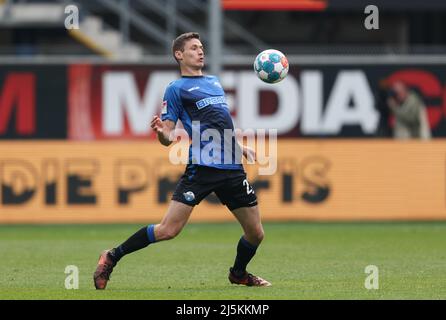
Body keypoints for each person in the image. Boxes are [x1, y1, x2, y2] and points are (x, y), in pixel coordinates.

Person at [93, 32, 271, 289]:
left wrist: (239, 146)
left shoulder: (214, 82)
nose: (201, 52)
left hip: (232, 168)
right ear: (179, 54)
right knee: (168, 230)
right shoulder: (176, 89)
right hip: (202, 168)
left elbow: (219, 124)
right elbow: (167, 134)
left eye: (201, 48)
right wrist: (161, 135)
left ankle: (238, 274)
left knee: (256, 233)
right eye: (194, 48)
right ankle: (112, 256)